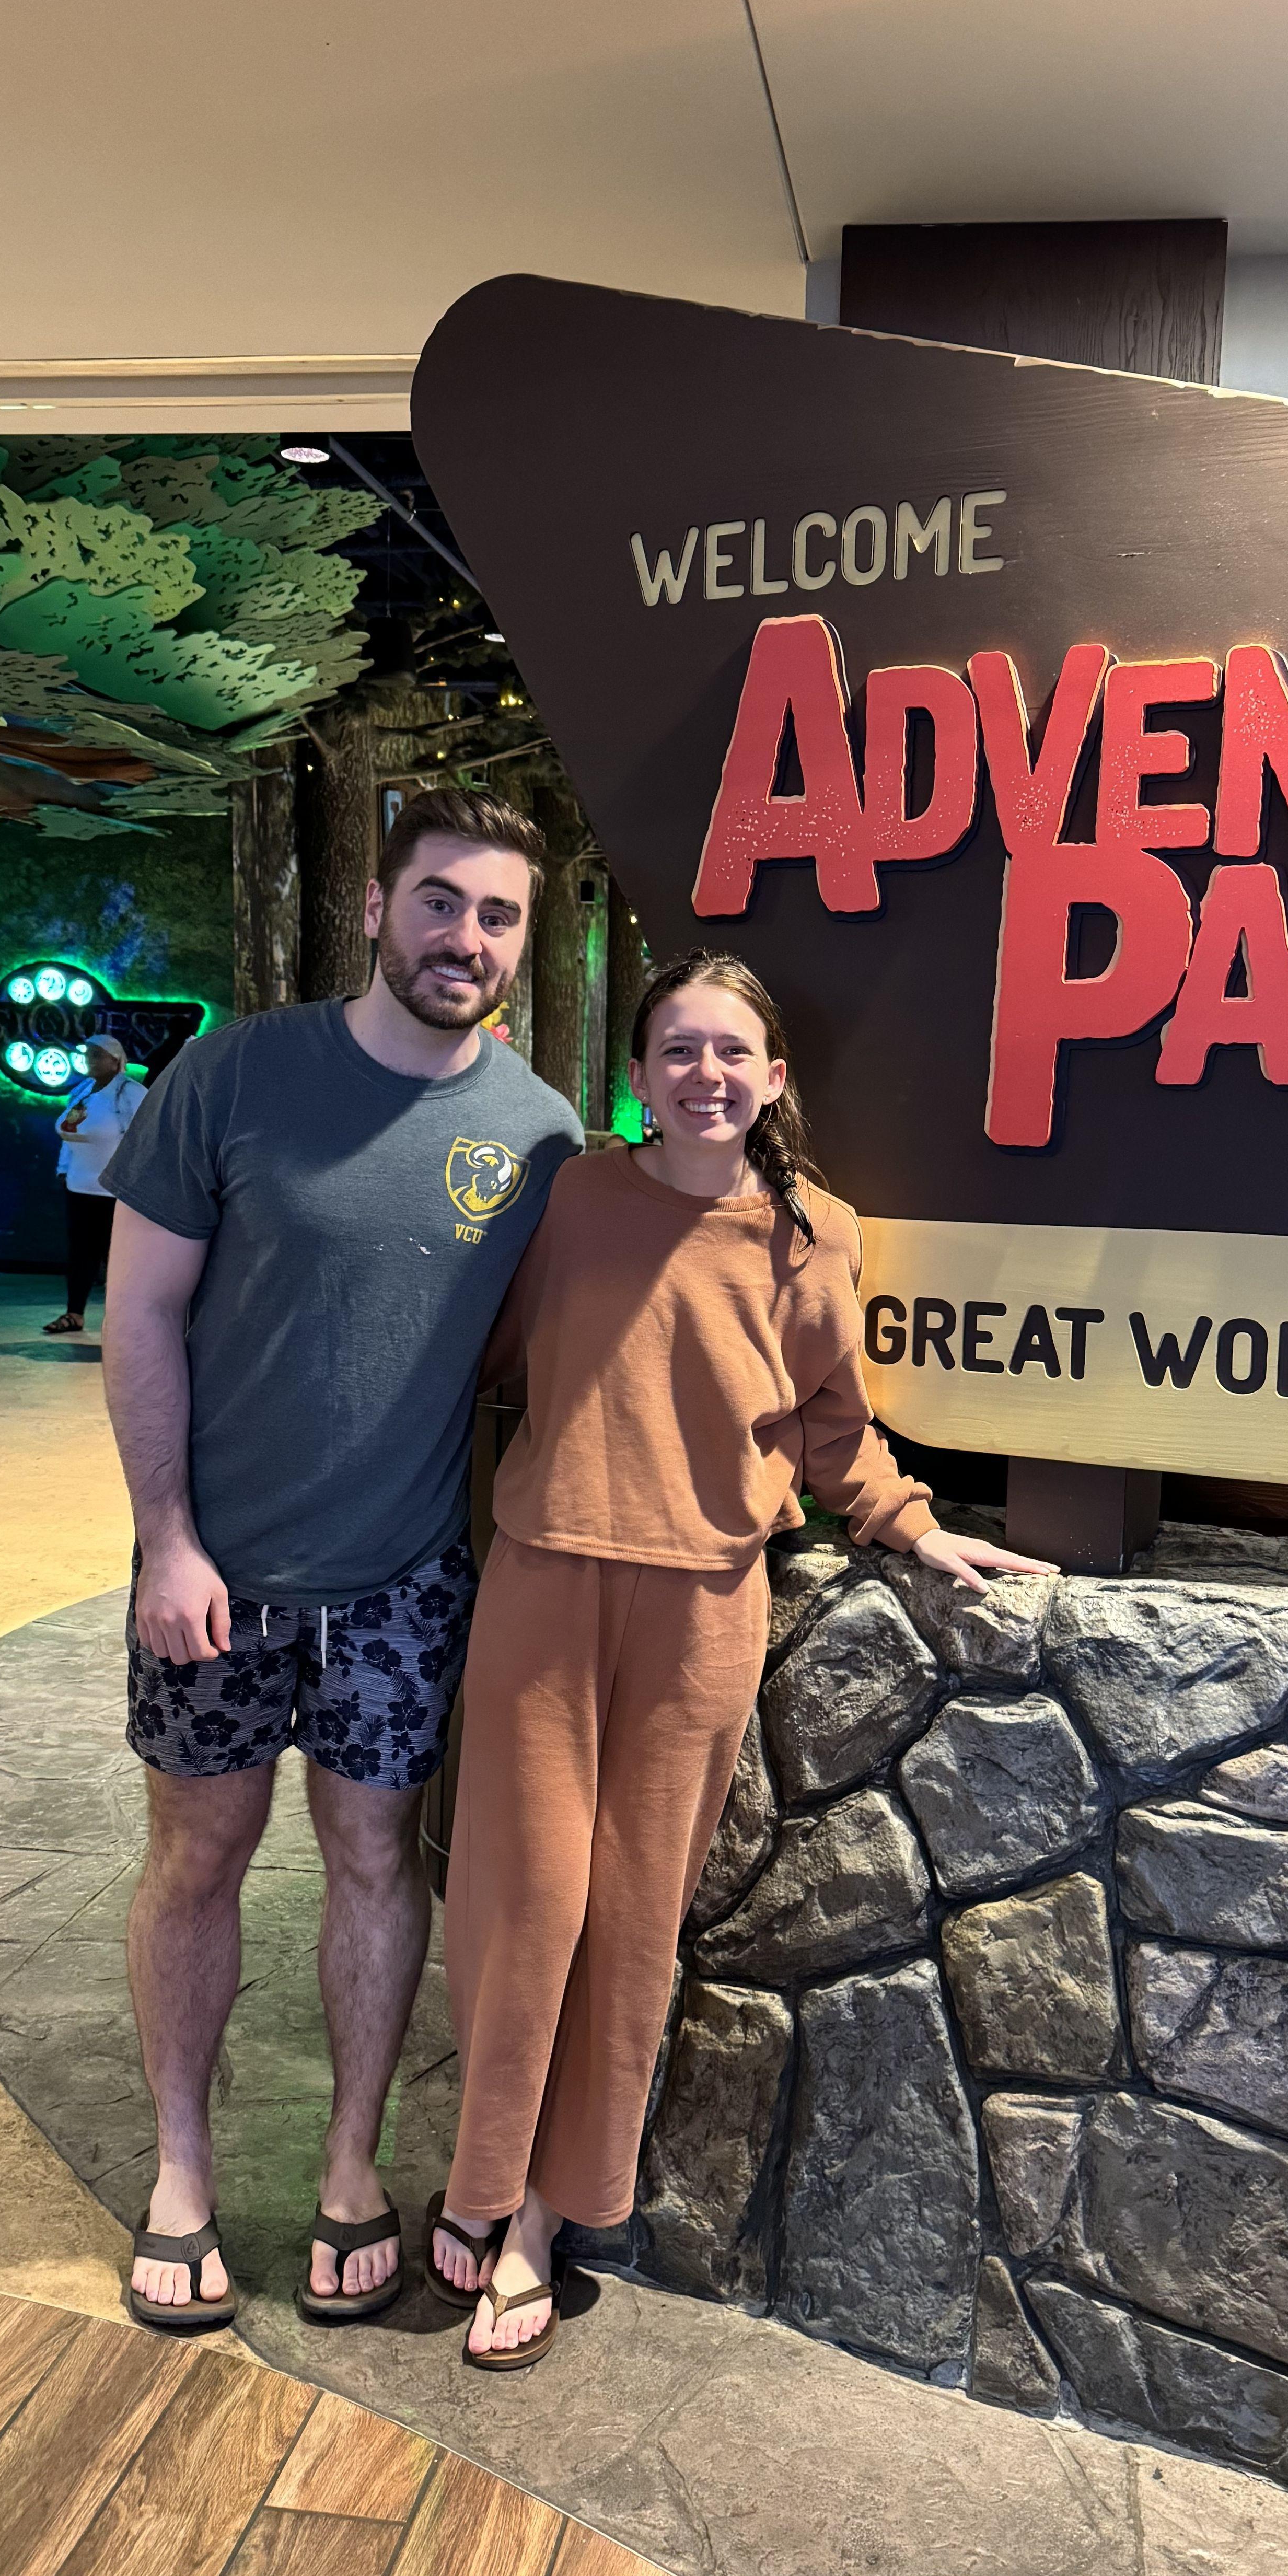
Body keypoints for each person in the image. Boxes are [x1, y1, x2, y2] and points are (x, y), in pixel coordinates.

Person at [429, 949, 1053, 2368]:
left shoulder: (816, 1234)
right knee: (524, 1900)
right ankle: (483, 2175)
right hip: (545, 1579)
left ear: (772, 1079)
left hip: (705, 1602)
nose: (704, 1074)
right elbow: (481, 1351)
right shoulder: (574, 1198)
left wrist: (909, 1523)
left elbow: (830, 1418)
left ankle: (543, 2222)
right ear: (640, 1079)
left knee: (633, 1918)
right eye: (678, 1051)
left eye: (731, 1052)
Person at [95, 789, 583, 2334]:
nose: (465, 937)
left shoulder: (540, 1135)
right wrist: (167, 1540)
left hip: (403, 1579)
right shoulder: (236, 1074)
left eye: (497, 914)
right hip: (217, 1572)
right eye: (439, 900)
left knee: (376, 1862)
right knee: (198, 1858)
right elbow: (139, 1315)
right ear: (374, 908)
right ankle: (181, 2173)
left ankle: (352, 2166)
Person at [44, 1033, 144, 1334]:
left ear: (116, 1061)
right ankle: (74, 1314)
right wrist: (64, 1169)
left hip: (115, 1191)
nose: (90, 1060)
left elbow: (146, 1139)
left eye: (97, 1055)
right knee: (80, 1254)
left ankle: (123, 1322)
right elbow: (69, 1133)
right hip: (79, 1187)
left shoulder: (131, 1093)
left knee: (117, 1257)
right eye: (87, 1054)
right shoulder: (82, 1091)